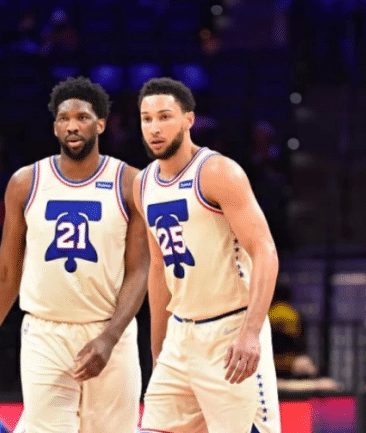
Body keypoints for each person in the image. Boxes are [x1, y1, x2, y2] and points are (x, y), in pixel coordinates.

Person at [0, 77, 148, 433]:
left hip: (110, 330)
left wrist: (109, 337)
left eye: (82, 117)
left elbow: (140, 270)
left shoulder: (130, 183)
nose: (72, 126)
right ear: (55, 127)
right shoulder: (25, 183)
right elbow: (5, 272)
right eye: (64, 118)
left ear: (101, 124)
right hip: (45, 332)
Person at [134, 78, 281, 433]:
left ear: (188, 119)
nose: (154, 128)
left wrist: (250, 332)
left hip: (230, 333)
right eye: (147, 119)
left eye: (164, 117)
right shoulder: (143, 183)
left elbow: (265, 250)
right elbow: (159, 267)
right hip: (180, 334)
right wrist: (158, 348)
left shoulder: (217, 172)